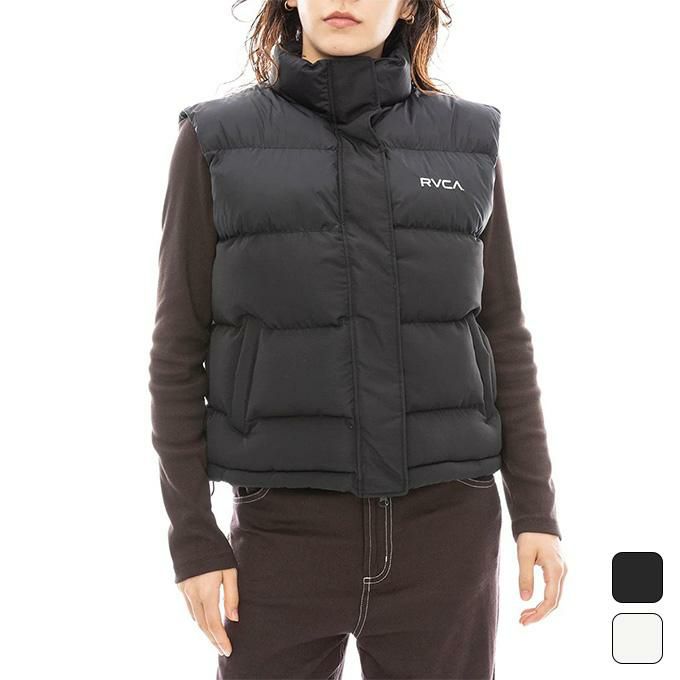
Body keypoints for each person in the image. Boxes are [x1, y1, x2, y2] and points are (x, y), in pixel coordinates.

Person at [148, 1, 568, 678]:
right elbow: (176, 350)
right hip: (281, 537)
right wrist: (193, 539)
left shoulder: (465, 141)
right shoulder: (215, 139)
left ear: (409, 6)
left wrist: (535, 512)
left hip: (446, 532)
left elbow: (504, 334)